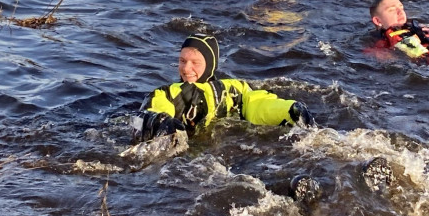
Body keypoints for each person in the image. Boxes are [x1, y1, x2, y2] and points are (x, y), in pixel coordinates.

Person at [132, 33, 315, 143]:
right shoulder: (167, 93)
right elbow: (151, 109)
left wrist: (289, 110)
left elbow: (257, 104)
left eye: (195, 62)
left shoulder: (232, 89)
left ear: (210, 65)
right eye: (182, 61)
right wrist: (160, 121)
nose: (186, 68)